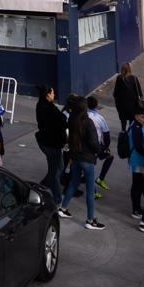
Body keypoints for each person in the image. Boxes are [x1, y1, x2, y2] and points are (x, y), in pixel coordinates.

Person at [58, 95, 106, 231]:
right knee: (90, 190)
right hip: (87, 158)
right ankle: (90, 220)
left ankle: (63, 207)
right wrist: (100, 151)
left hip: (75, 156)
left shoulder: (72, 118)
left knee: (74, 182)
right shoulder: (88, 122)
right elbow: (93, 142)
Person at [35, 86, 66, 204]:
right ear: (48, 94)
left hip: (48, 142)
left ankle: (44, 185)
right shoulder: (48, 108)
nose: (54, 95)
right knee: (55, 171)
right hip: (51, 144)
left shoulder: (44, 105)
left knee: (58, 168)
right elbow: (62, 120)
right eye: (52, 93)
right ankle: (57, 197)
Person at [87, 96, 115, 191]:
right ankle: (98, 183)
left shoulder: (82, 116)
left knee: (89, 168)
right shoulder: (99, 118)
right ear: (96, 105)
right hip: (96, 145)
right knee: (109, 157)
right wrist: (106, 146)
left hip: (85, 146)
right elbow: (106, 134)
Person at [126, 109, 144, 217]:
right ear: (136, 116)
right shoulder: (136, 128)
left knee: (143, 184)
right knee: (137, 185)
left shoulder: (138, 125)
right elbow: (138, 146)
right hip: (138, 161)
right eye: (143, 117)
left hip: (140, 160)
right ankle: (136, 209)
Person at [113, 63, 144, 132]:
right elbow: (139, 91)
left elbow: (115, 92)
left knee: (123, 119)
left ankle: (123, 131)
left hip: (121, 104)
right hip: (132, 104)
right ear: (129, 69)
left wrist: (117, 102)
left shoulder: (119, 78)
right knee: (132, 119)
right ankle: (130, 131)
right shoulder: (134, 78)